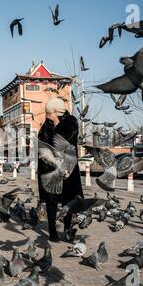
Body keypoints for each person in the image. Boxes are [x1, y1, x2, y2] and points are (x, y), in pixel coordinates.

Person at [38, 97, 83, 243]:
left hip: (68, 169)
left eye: (49, 113)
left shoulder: (71, 122)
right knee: (51, 201)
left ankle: (68, 230)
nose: (46, 116)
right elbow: (42, 142)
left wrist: (56, 125)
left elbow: (66, 141)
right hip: (51, 169)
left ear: (57, 112)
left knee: (68, 201)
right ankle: (52, 232)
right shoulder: (46, 125)